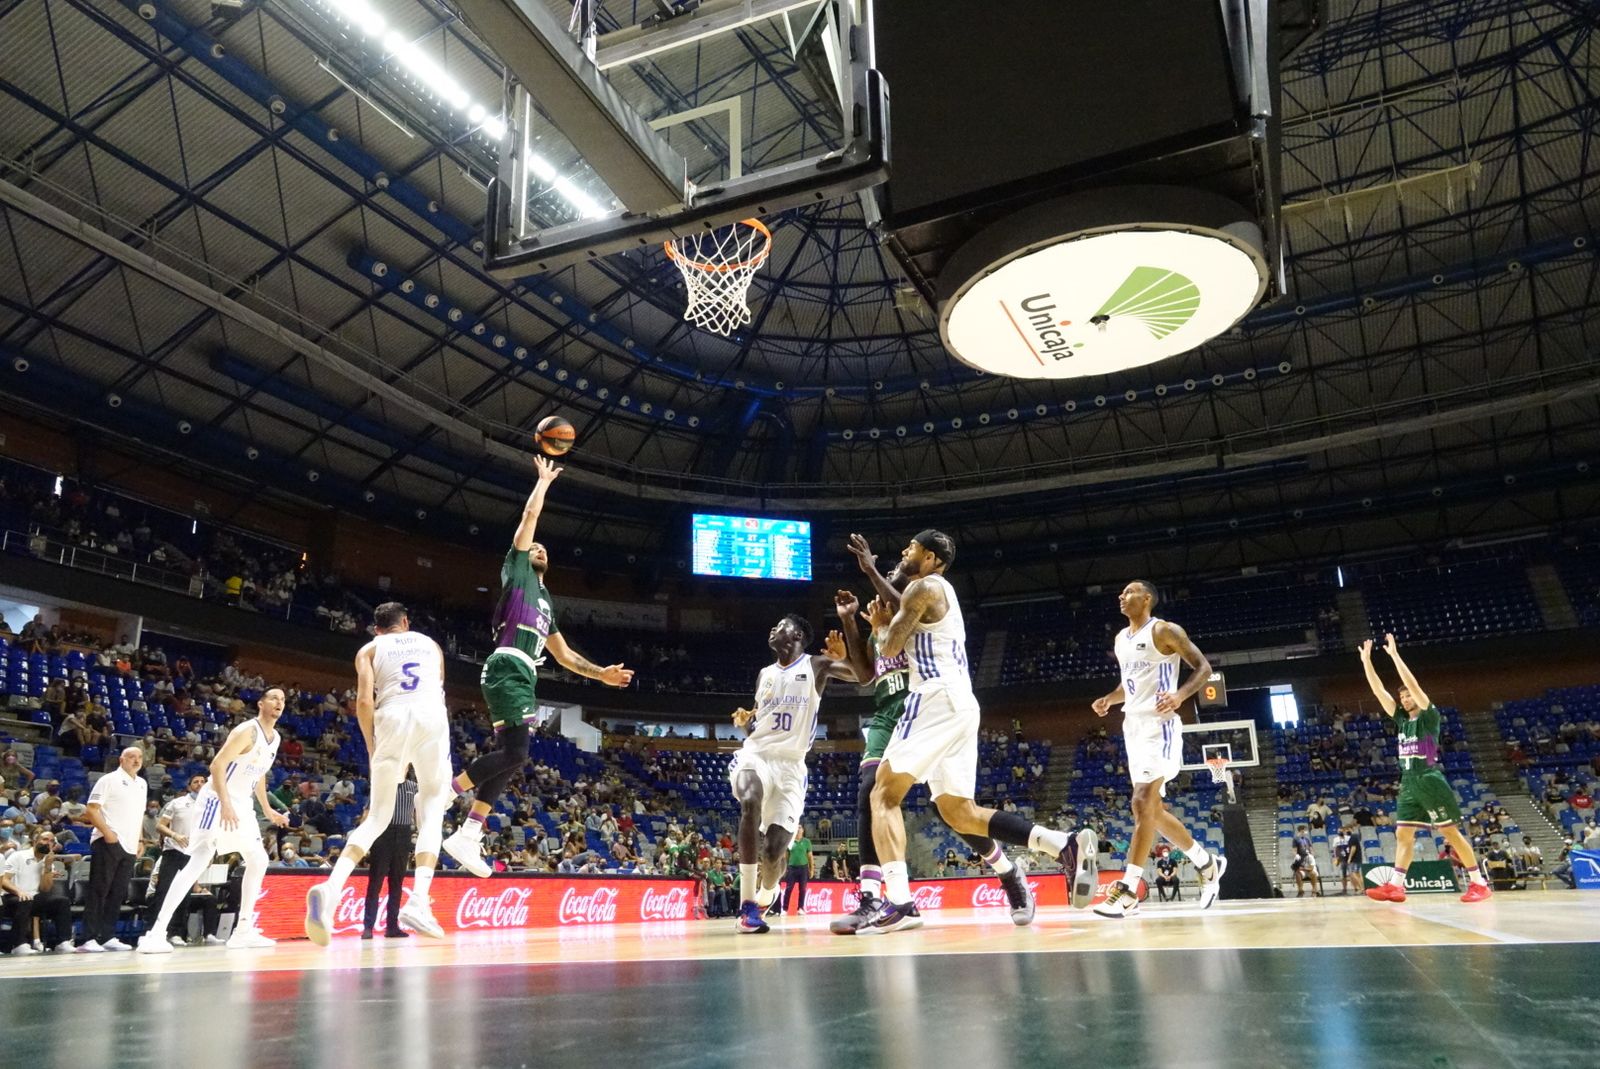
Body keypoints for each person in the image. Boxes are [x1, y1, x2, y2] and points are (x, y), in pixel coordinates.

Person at [858, 532, 1093, 935]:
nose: (905, 551)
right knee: (958, 812)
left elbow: (891, 645)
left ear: (930, 557)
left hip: (933, 696)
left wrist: (879, 625)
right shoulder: (936, 592)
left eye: (912, 547)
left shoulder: (922, 587)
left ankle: (900, 903)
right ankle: (1060, 843)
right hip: (962, 704)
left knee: (882, 794)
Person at [831, 532, 1040, 935]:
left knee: (953, 812)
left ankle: (1006, 871)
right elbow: (864, 673)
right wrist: (849, 620)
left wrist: (873, 574)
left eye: (903, 558)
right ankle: (873, 898)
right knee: (872, 792)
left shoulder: (916, 605)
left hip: (926, 707)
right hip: (890, 715)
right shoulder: (884, 614)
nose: (898, 561)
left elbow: (905, 617)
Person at [443, 458, 634, 876]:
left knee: (513, 757)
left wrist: (601, 674)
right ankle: (447, 792)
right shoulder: (517, 575)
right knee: (516, 752)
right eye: (534, 548)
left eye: (544, 549)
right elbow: (529, 518)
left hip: (524, 674)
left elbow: (564, 657)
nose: (539, 549)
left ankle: (468, 834)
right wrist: (543, 483)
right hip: (508, 664)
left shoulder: (546, 601)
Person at [306, 603, 451, 945]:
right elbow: (437, 688)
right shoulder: (431, 645)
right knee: (433, 805)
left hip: (391, 717)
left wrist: (373, 747)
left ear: (377, 629)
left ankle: (331, 889)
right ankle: (419, 900)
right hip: (429, 715)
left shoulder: (369, 650)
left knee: (377, 818)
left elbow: (363, 702)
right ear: (406, 622)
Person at [1090, 580, 1228, 918]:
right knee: (1151, 811)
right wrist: (1110, 698)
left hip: (1160, 725)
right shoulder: (1121, 639)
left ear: (1147, 598)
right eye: (1121, 592)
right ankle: (1207, 863)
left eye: (1129, 591)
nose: (1122, 596)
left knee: (1140, 802)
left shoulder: (1164, 630)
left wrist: (1180, 696)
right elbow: (1131, 685)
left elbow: (1204, 668)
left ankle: (1128, 891)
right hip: (1133, 726)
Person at [729, 594, 866, 934]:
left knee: (774, 850)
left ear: (797, 636)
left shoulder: (816, 665)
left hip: (792, 766)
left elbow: (864, 675)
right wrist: (746, 724)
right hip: (756, 754)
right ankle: (748, 905)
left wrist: (844, 653)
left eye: (781, 626)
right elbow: (761, 726)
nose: (773, 629)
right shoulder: (764, 674)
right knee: (750, 802)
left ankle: (767, 893)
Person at [137, 688, 292, 953]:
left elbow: (259, 775)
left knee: (259, 859)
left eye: (283, 699)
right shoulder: (247, 731)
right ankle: (156, 932)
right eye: (274, 698)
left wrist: (267, 809)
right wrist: (226, 803)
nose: (280, 702)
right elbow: (217, 766)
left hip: (241, 803)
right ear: (261, 703)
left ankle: (243, 931)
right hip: (216, 799)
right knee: (198, 862)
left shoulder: (275, 738)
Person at [1358, 635, 1491, 904]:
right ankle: (1396, 886)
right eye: (1403, 696)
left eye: (1408, 695)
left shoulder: (1430, 716)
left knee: (1449, 832)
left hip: (1429, 778)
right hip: (1409, 781)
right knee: (1402, 833)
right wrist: (1366, 661)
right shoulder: (1401, 720)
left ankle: (1479, 882)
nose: (1406, 698)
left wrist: (1394, 656)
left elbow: (1414, 684)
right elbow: (1379, 692)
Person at [79, 747, 148, 952]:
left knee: (118, 892)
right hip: (107, 841)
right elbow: (91, 809)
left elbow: (139, 815)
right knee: (99, 890)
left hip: (130, 844)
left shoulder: (142, 783)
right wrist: (108, 833)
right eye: (132, 757)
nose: (136, 760)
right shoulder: (109, 779)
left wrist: (140, 840)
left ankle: (107, 936)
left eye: (139, 757)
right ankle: (88, 938)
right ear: (121, 760)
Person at [145, 774, 207, 947]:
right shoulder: (177, 803)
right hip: (173, 851)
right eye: (196, 782)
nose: (200, 784)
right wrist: (175, 835)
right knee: (164, 891)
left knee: (184, 894)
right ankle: (154, 930)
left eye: (203, 782)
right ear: (189, 786)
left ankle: (176, 933)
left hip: (193, 854)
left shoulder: (209, 805)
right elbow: (160, 825)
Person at [2, 830, 74, 954]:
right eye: (45, 839)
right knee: (25, 900)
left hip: (33, 898)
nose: (48, 843)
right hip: (11, 896)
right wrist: (19, 892)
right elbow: (4, 880)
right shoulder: (19, 856)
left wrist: (47, 867)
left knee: (62, 901)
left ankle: (63, 942)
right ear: (35, 841)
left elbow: (45, 889)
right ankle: (19, 944)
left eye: (51, 841)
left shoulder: (48, 861)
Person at [363, 778, 419, 939]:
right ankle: (368, 927)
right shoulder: (383, 782)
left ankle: (392, 927)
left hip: (404, 833)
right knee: (375, 881)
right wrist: (364, 838)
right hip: (382, 832)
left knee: (397, 883)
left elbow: (419, 811)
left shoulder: (414, 787)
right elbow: (368, 812)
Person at [778, 823, 814, 916]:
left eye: (800, 828)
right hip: (792, 868)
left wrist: (812, 869)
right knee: (789, 888)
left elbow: (810, 857)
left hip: (803, 868)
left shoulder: (807, 842)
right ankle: (785, 909)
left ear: (803, 830)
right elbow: (786, 857)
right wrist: (785, 868)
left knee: (802, 889)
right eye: (796, 828)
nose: (798, 829)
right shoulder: (790, 841)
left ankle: (800, 908)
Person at [1290, 826, 1321, 897]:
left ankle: (1315, 891)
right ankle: (1300, 891)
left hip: (1308, 865)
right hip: (1301, 860)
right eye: (1304, 831)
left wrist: (1312, 855)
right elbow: (1294, 850)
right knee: (1297, 874)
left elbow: (1311, 849)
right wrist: (1296, 855)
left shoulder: (1307, 839)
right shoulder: (1296, 839)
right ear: (1301, 831)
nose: (1305, 832)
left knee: (1313, 873)